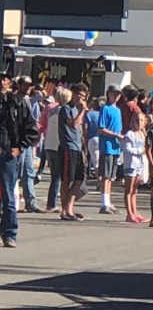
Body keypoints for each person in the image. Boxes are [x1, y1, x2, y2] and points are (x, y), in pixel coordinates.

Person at [0, 72, 40, 247]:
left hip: (9, 155)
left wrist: (20, 147)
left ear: (9, 83)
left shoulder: (16, 103)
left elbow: (31, 129)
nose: (2, 82)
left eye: (4, 79)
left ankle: (9, 233)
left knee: (9, 196)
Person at [57, 83, 88, 222]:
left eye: (83, 97)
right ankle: (65, 210)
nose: (80, 99)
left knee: (79, 178)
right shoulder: (66, 108)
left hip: (77, 147)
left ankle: (69, 207)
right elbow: (74, 125)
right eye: (79, 95)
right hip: (67, 147)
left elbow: (81, 129)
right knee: (66, 180)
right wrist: (82, 111)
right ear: (73, 94)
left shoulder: (77, 109)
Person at [15, 77, 42, 213]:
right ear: (18, 85)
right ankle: (11, 203)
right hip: (17, 142)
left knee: (29, 172)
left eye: (29, 85)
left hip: (27, 142)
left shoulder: (29, 101)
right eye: (25, 84)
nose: (27, 87)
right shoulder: (15, 100)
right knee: (15, 172)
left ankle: (31, 202)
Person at [97, 86, 123, 214]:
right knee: (106, 176)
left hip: (116, 147)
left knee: (111, 176)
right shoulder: (105, 109)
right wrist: (115, 135)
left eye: (118, 94)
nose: (117, 96)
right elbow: (101, 128)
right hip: (107, 146)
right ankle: (104, 203)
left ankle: (108, 201)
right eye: (114, 94)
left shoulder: (118, 110)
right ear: (109, 94)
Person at [121, 110, 147, 223]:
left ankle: (135, 212)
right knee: (129, 189)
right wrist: (140, 151)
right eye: (137, 120)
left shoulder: (142, 134)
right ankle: (129, 213)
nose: (139, 122)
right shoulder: (130, 134)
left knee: (135, 190)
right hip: (131, 164)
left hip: (139, 165)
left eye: (141, 120)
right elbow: (127, 149)